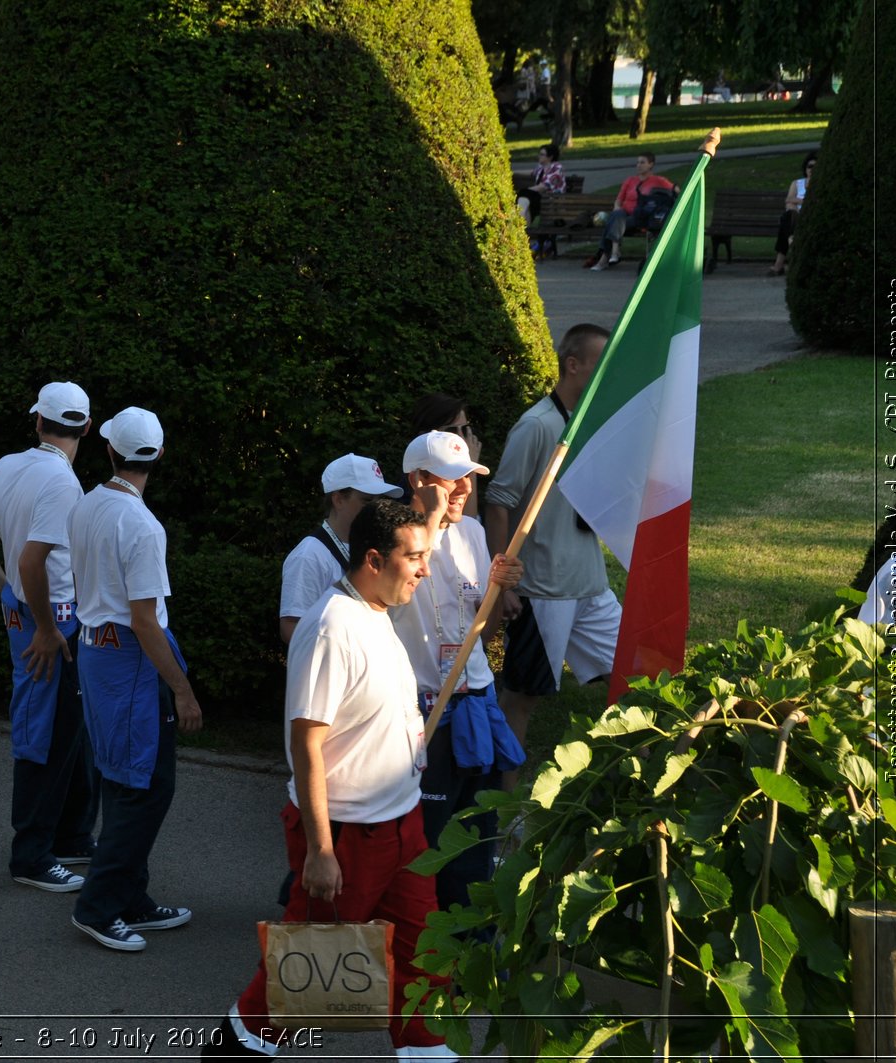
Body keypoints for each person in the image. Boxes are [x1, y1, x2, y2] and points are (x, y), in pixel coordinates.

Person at [204, 500, 452, 1060]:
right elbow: (306, 744)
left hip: (402, 825)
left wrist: (435, 515)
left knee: (425, 955)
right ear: (372, 559)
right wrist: (320, 851)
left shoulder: (376, 607)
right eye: (413, 558)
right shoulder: (330, 627)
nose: (423, 570)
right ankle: (234, 1049)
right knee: (307, 973)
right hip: (347, 835)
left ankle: (429, 1051)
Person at [0, 381, 100, 892]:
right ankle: (32, 856)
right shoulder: (62, 483)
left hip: (36, 615)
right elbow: (31, 559)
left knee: (67, 729)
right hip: (54, 622)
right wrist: (41, 622)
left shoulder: (7, 466)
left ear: (38, 422)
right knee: (48, 733)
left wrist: (10, 596)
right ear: (85, 427)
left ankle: (71, 835)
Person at [68, 407, 201, 952]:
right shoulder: (142, 525)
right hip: (129, 663)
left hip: (97, 652)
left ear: (109, 452)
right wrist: (183, 688)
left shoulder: (87, 504)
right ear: (159, 456)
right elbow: (145, 621)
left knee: (125, 778)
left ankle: (130, 897)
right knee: (143, 787)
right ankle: (98, 905)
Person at [391, 430, 524, 917]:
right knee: (425, 837)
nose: (464, 487)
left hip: (476, 697)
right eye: (450, 479)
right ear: (418, 479)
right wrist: (427, 519)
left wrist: (497, 591)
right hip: (423, 706)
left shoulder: (470, 532)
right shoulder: (393, 533)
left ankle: (469, 939)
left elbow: (476, 624)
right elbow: (390, 597)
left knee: (476, 830)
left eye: (468, 475)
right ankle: (413, 935)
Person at [483, 324, 621, 782]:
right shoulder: (537, 426)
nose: (607, 374)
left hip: (590, 585)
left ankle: (621, 785)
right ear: (572, 364)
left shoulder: (590, 422)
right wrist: (503, 581)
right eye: (599, 363)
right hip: (543, 593)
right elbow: (499, 502)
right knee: (522, 698)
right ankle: (503, 813)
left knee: (636, 678)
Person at [278, 453, 403, 644]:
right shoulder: (309, 555)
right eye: (367, 500)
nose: (376, 508)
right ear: (338, 499)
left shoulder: (376, 545)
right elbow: (291, 627)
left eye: (379, 500)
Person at [586, 153, 677, 271]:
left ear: (651, 165)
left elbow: (676, 190)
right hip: (623, 216)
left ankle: (606, 257)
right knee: (617, 215)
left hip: (640, 217)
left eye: (642, 162)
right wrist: (617, 208)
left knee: (613, 222)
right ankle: (613, 252)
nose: (639, 165)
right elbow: (618, 201)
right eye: (637, 162)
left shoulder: (658, 181)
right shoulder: (630, 181)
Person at [408, 393, 484, 519]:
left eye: (464, 429)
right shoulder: (417, 471)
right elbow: (466, 520)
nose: (461, 438)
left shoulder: (475, 530)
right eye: (452, 431)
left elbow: (468, 528)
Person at [769, 152, 816, 277]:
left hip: (811, 218)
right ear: (805, 168)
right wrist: (800, 203)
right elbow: (788, 201)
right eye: (809, 166)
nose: (812, 169)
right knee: (789, 215)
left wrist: (798, 201)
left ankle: (778, 266)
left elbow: (814, 201)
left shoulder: (820, 184)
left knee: (785, 226)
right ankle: (791, 240)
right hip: (795, 218)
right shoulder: (797, 183)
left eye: (815, 167)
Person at [515, 142, 564, 225]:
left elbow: (543, 187)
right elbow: (532, 172)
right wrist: (513, 172)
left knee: (523, 194)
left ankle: (523, 226)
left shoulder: (556, 169)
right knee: (524, 199)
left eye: (542, 154)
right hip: (540, 199)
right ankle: (524, 226)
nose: (539, 156)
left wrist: (524, 191)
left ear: (550, 157)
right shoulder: (541, 168)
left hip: (550, 201)